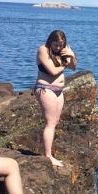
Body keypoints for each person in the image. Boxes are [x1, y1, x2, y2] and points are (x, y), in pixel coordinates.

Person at [34, 30, 76, 167]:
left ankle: (49, 152)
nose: (58, 48)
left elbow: (74, 67)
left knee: (55, 121)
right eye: (56, 44)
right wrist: (66, 62)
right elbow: (53, 71)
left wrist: (71, 56)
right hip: (46, 88)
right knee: (50, 123)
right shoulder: (43, 50)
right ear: (50, 41)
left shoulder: (63, 51)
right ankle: (48, 156)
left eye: (61, 45)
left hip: (59, 90)